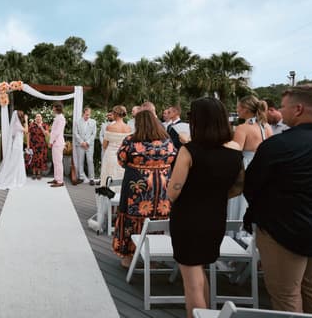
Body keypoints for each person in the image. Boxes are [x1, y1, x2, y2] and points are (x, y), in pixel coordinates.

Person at [243, 84, 312, 313]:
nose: (281, 111)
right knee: (310, 288)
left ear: (298, 109)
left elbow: (251, 186)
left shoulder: (278, 146)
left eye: (283, 107)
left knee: (286, 295)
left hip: (281, 232)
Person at [166, 97, 243, 318]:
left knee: (191, 282)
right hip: (215, 217)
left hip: (188, 220)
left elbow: (173, 191)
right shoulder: (235, 149)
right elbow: (238, 187)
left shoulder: (189, 151)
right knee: (199, 271)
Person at [112, 110, 177, 268]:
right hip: (161, 188)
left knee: (130, 218)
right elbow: (174, 158)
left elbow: (121, 159)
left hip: (137, 186)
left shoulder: (131, 141)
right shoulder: (167, 141)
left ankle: (128, 257)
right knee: (156, 218)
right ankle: (153, 257)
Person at [229, 95, 273, 222]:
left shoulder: (243, 128)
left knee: (240, 201)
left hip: (246, 166)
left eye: (238, 108)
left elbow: (235, 152)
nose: (237, 110)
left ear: (246, 109)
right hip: (264, 167)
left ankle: (236, 232)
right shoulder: (267, 127)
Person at [0, 110, 28, 189]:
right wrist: (26, 120)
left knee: (18, 161)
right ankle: (14, 178)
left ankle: (18, 177)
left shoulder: (16, 124)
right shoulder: (17, 124)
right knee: (16, 162)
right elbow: (26, 130)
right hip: (17, 145)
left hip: (17, 144)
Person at [99, 105, 131, 187]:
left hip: (110, 155)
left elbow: (104, 145)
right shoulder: (128, 128)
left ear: (115, 114)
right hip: (123, 157)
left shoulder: (110, 127)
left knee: (108, 176)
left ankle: (108, 196)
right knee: (121, 176)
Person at [73, 107, 97, 185]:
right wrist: (82, 142)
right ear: (83, 113)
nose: (87, 116)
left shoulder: (93, 122)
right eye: (86, 115)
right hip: (80, 145)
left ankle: (92, 178)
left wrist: (87, 142)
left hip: (89, 145)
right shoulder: (77, 122)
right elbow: (76, 133)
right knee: (80, 161)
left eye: (89, 115)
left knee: (90, 161)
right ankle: (81, 177)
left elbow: (94, 134)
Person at [48, 102, 66, 187]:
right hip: (56, 142)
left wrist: (51, 142)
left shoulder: (61, 118)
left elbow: (57, 132)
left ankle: (60, 181)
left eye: (53, 108)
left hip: (57, 142)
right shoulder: (57, 117)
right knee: (55, 162)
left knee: (58, 162)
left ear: (57, 108)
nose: (53, 109)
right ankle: (56, 178)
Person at [28, 113, 49, 179]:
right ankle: (34, 173)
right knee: (34, 158)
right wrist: (28, 145)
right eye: (37, 117)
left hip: (41, 145)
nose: (38, 118)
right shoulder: (31, 125)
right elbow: (28, 135)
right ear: (35, 118)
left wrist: (41, 127)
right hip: (33, 144)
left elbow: (46, 134)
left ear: (41, 118)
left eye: (39, 117)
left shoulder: (45, 125)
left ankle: (39, 173)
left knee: (40, 158)